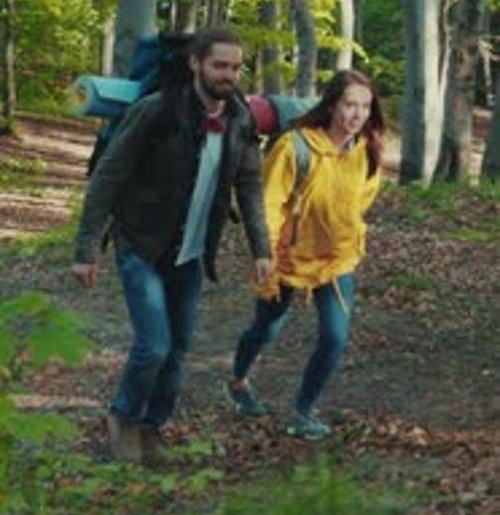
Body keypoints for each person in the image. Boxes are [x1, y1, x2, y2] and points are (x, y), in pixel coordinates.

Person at [71, 26, 273, 465]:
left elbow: (250, 185)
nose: (229, 74)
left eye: (236, 67)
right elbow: (109, 175)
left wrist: (262, 248)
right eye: (220, 65)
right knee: (154, 345)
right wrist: (86, 248)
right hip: (140, 242)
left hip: (190, 251)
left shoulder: (239, 119)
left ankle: (151, 428)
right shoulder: (157, 110)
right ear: (195, 63)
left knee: (178, 351)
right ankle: (122, 418)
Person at [226, 69, 386, 440]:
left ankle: (302, 411)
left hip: (337, 261)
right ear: (331, 106)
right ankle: (237, 380)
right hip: (286, 259)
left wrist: (348, 231)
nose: (357, 114)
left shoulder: (367, 148)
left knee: (335, 338)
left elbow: (364, 196)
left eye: (364, 106)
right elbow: (268, 202)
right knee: (266, 328)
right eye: (349, 104)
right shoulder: (295, 147)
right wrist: (264, 251)